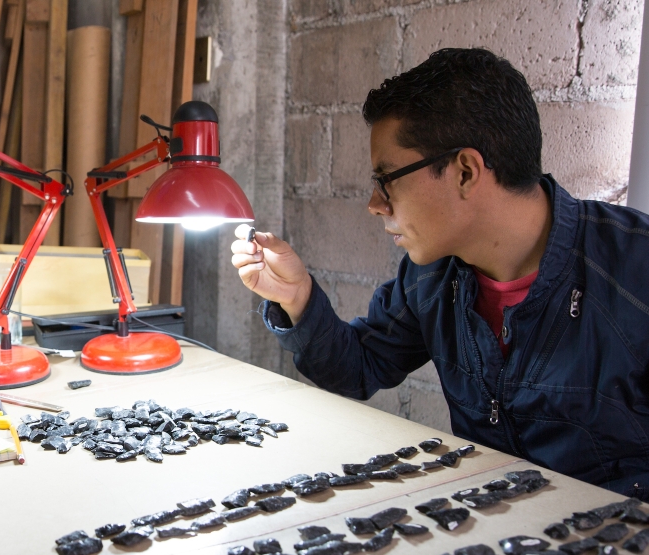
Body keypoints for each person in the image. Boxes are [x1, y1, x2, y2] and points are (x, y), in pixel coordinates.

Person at [231, 47, 649, 500]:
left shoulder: (634, 268)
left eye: (387, 179)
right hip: (498, 540)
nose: (375, 203)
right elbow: (360, 366)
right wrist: (297, 298)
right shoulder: (430, 275)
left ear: (465, 171)